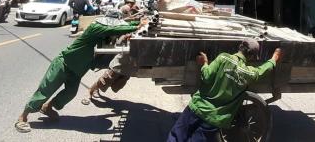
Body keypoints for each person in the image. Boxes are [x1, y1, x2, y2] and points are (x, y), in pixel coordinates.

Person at [14, 16, 148, 133]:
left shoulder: (102, 40)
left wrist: (135, 26)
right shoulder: (94, 28)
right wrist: (136, 25)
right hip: (63, 64)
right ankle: (23, 117)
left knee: (70, 93)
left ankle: (48, 107)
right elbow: (113, 30)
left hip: (77, 71)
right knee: (45, 90)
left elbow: (115, 34)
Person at [167, 39, 282, 142]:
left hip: (196, 108)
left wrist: (205, 63)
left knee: (176, 136)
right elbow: (262, 70)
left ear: (240, 47)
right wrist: (274, 58)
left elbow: (206, 77)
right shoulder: (248, 73)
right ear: (251, 57)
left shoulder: (223, 58)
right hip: (214, 118)